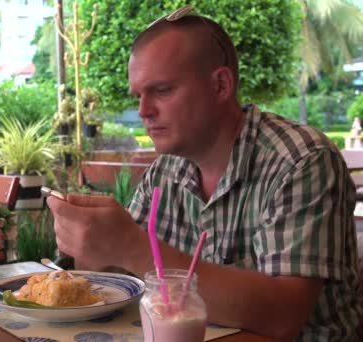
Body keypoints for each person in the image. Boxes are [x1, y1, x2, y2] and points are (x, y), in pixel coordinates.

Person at [47, 5, 362, 341]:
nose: (143, 111)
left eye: (162, 90)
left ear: (221, 85)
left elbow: (283, 316)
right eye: (138, 95)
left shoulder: (300, 161)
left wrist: (131, 248)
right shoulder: (162, 175)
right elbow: (122, 278)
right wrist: (94, 247)